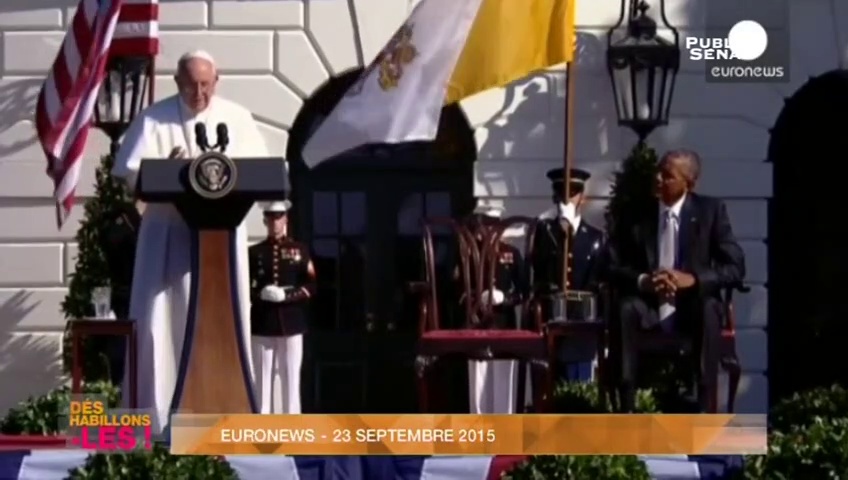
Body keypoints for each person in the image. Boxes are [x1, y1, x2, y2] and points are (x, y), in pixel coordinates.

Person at [112, 50, 273, 433]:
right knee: (161, 322)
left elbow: (260, 172)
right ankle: (155, 418)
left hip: (221, 237)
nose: (199, 93)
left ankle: (225, 410)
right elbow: (129, 173)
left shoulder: (238, 117)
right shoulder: (154, 118)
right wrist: (165, 169)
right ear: (177, 82)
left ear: (217, 80)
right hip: (167, 235)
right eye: (190, 85)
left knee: (224, 321)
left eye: (205, 84)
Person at [607, 149, 745, 412]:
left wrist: (693, 280)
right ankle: (625, 406)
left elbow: (735, 267)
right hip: (648, 306)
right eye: (658, 171)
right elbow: (611, 266)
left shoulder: (711, 212)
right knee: (624, 308)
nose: (658, 178)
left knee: (708, 309)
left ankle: (704, 408)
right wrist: (643, 280)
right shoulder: (636, 214)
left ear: (688, 184)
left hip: (691, 308)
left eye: (667, 175)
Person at [533, 168, 605, 381]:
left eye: (573, 193)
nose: (567, 200)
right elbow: (539, 273)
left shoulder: (595, 237)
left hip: (581, 322)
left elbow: (596, 281)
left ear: (582, 197)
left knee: (579, 385)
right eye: (561, 194)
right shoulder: (545, 232)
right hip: (551, 319)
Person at [249, 200, 316, 414]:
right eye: (270, 217)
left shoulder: (299, 250)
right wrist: (259, 294)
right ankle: (261, 430)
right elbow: (243, 286)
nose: (274, 222)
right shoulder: (254, 252)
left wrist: (287, 295)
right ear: (264, 220)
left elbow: (311, 284)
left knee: (290, 380)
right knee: (262, 381)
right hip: (263, 323)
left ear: (286, 219)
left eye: (278, 217)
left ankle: (291, 430)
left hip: (292, 322)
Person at [461, 204, 527, 413]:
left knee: (504, 382)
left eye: (488, 226)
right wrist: (476, 296)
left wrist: (505, 298)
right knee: (479, 384)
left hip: (504, 326)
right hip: (477, 326)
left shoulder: (511, 253)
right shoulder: (469, 255)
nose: (483, 232)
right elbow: (458, 289)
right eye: (480, 227)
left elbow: (525, 291)